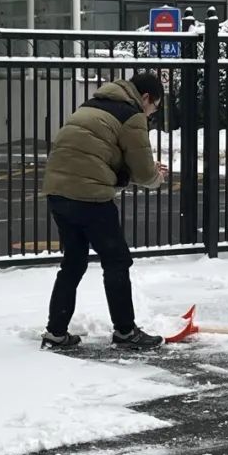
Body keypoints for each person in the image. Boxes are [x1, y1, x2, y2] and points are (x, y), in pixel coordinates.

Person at [39, 72, 168, 351]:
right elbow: (143, 172)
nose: (151, 113)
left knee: (74, 262)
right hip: (89, 197)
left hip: (57, 191)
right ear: (145, 98)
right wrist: (156, 176)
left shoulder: (92, 105)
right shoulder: (132, 115)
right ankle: (125, 332)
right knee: (117, 260)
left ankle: (56, 332)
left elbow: (98, 154)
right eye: (154, 107)